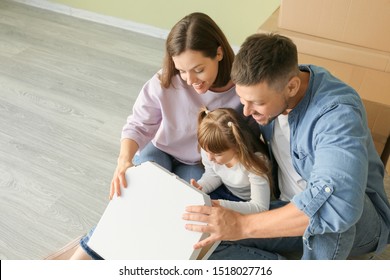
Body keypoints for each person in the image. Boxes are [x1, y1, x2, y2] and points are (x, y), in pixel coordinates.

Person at [183, 33, 390, 260]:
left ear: (292, 87)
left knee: (330, 204)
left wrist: (242, 226)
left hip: (357, 224)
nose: (247, 112)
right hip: (286, 204)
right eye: (243, 100)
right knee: (206, 238)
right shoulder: (273, 89)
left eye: (257, 103)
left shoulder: (336, 114)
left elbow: (338, 208)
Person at [69, 12, 241, 260]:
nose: (190, 80)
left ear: (219, 53)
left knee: (176, 213)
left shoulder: (241, 91)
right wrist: (124, 161)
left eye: (198, 69)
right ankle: (80, 260)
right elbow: (137, 124)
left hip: (198, 164)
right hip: (158, 150)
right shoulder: (165, 81)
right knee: (138, 198)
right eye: (182, 70)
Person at [190, 107, 272, 214]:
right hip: (223, 192)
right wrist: (201, 187)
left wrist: (220, 205)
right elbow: (213, 175)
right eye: (206, 152)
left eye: (217, 154)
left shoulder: (255, 163)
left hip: (246, 203)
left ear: (237, 146)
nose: (210, 158)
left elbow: (260, 207)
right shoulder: (209, 150)